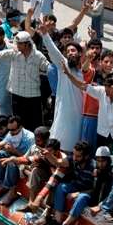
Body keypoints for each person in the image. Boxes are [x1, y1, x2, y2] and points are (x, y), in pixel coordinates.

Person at [40, 22, 83, 152]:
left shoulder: (86, 71)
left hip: (81, 116)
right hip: (64, 115)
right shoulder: (64, 66)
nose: (70, 53)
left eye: (73, 50)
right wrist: (45, 34)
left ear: (80, 53)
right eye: (68, 51)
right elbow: (53, 52)